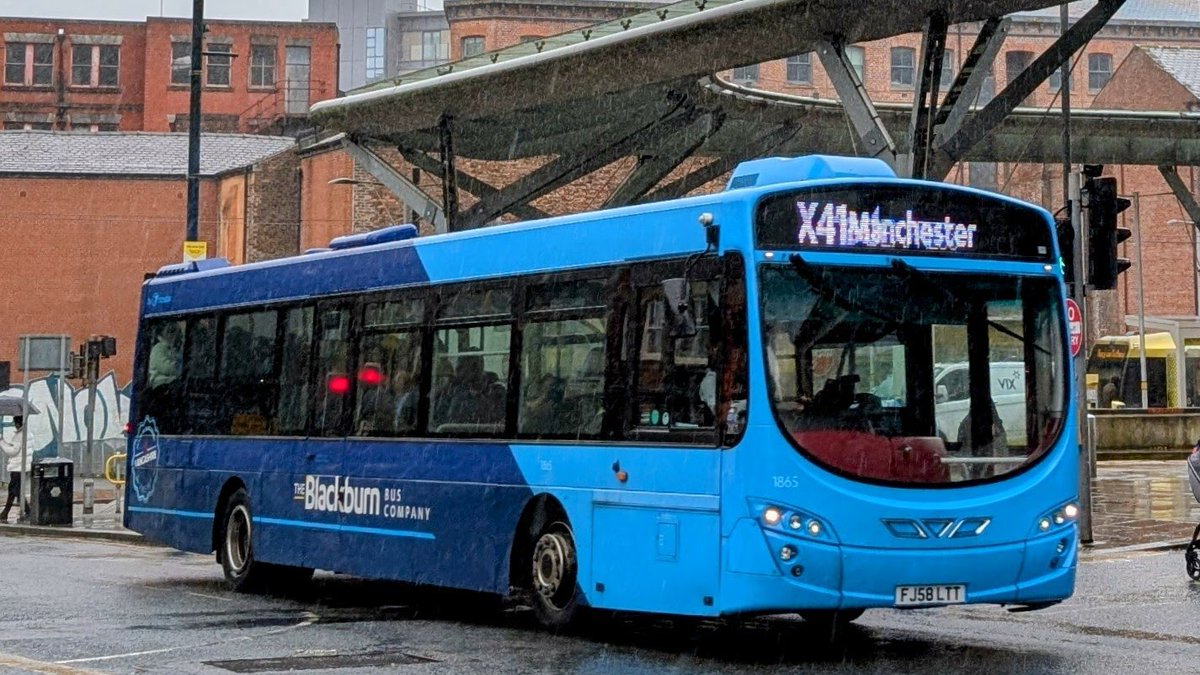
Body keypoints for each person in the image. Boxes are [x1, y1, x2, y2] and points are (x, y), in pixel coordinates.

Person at [0, 416, 32, 523]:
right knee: (14, 490)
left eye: (15, 423)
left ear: (18, 423)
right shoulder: (27, 433)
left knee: (14, 490)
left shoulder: (19, 435)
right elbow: (18, 447)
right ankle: (5, 513)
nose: (15, 425)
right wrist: (5, 442)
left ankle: (27, 511)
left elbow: (12, 451)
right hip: (22, 466)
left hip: (17, 466)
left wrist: (1, 443)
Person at [147, 322, 183, 388]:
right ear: (161, 335)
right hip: (161, 383)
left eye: (179, 331)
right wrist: (180, 369)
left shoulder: (175, 349)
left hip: (173, 382)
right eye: (171, 331)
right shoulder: (158, 348)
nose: (176, 334)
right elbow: (165, 367)